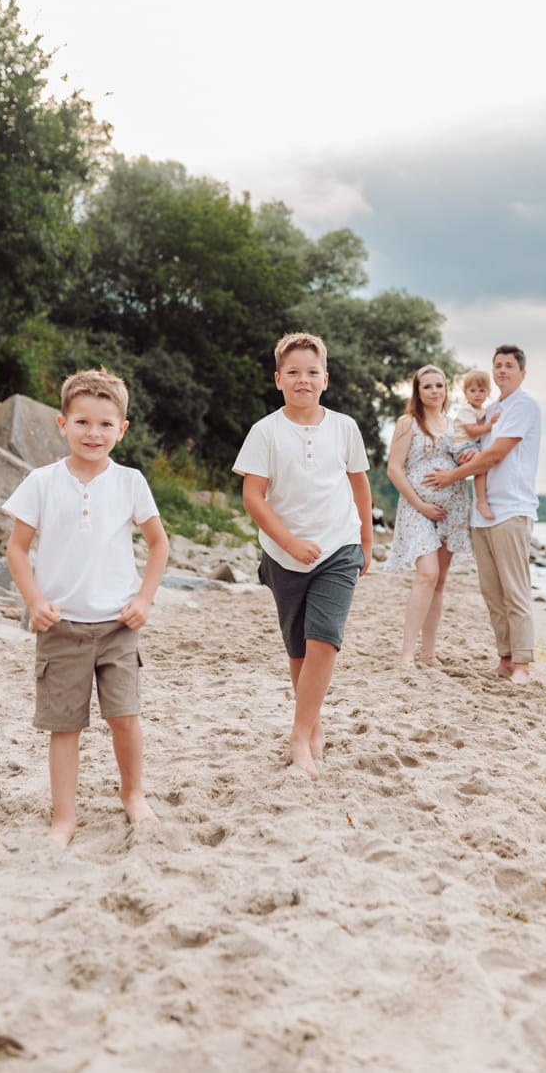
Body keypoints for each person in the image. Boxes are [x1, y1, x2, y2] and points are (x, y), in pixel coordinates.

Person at [4, 368, 169, 846]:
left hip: (118, 625)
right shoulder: (41, 482)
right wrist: (34, 601)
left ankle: (133, 794)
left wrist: (144, 599)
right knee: (65, 727)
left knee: (125, 718)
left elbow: (159, 546)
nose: (92, 434)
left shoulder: (131, 482)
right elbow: (17, 549)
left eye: (104, 424)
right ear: (62, 424)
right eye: (82, 423)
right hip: (60, 628)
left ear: (122, 429)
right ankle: (64, 818)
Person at [233, 332, 372, 781]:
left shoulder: (345, 428)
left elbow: (359, 486)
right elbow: (253, 497)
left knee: (324, 638)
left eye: (312, 372)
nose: (303, 380)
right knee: (298, 649)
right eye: (293, 372)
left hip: (339, 546)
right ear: (278, 379)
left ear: (325, 379)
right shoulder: (265, 431)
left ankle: (298, 736)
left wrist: (365, 542)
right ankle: (312, 722)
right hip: (283, 554)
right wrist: (290, 542)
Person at [424, 345, 541, 685]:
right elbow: (472, 448)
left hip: (512, 509)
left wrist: (450, 477)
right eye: (498, 366)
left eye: (508, 365)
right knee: (492, 591)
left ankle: (522, 664)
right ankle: (504, 659)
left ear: (521, 372)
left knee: (515, 590)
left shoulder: (524, 406)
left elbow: (494, 456)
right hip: (483, 513)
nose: (502, 370)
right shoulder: (491, 409)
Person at [385, 364, 472, 667]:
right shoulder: (408, 423)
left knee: (440, 581)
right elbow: (394, 469)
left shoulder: (455, 425)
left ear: (447, 389)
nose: (435, 391)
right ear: (418, 392)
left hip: (453, 509)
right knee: (427, 573)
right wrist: (421, 505)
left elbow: (466, 460)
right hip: (417, 508)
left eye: (440, 385)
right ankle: (407, 653)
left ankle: (429, 653)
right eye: (428, 386)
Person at [451, 368, 500, 521]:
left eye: (481, 390)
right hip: (462, 446)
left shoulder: (483, 410)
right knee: (481, 464)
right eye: (472, 390)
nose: (477, 394)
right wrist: (490, 425)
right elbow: (472, 431)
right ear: (465, 393)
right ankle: (481, 501)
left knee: (485, 464)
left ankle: (482, 500)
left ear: (488, 392)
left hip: (472, 445)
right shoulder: (466, 410)